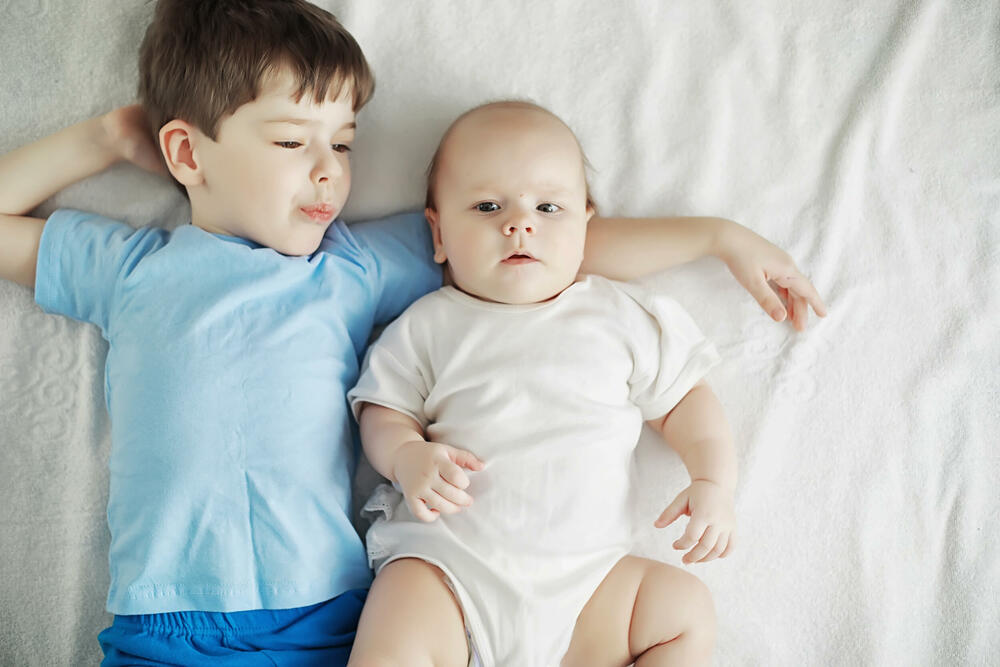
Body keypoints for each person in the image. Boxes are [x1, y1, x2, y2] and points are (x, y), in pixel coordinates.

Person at [0, 1, 824, 664]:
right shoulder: (130, 270)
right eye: (291, 141)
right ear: (186, 151)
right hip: (164, 622)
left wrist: (718, 238)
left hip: (326, 616)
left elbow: (538, 246)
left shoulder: (351, 266)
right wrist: (104, 138)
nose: (329, 169)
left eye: (343, 143)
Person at [346, 101, 743, 667]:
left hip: (587, 588)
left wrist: (713, 480)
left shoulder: (618, 314)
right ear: (438, 232)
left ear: (585, 225)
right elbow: (383, 411)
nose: (519, 224)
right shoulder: (428, 324)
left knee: (684, 609)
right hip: (451, 574)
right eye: (487, 206)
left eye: (548, 207)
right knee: (400, 606)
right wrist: (406, 455)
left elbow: (686, 403)